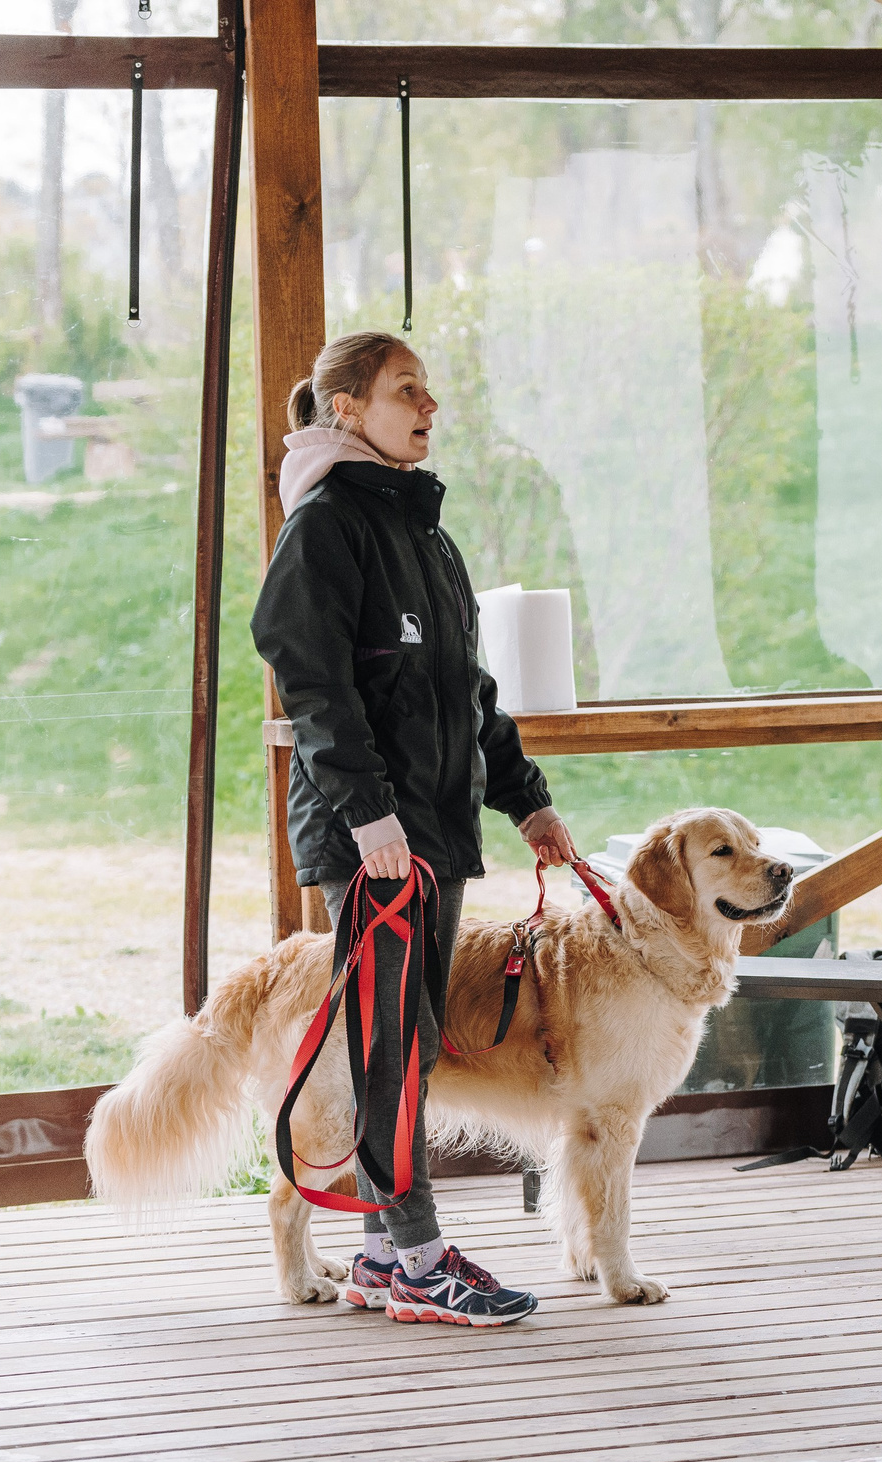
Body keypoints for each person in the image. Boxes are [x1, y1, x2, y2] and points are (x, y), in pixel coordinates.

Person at [252, 330, 582, 1327]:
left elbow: (463, 689)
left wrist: (526, 797)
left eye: (430, 390)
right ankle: (422, 1256)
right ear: (346, 407)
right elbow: (309, 680)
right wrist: (367, 814)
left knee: (410, 1039)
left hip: (428, 829)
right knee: (392, 1043)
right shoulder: (325, 525)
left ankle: (378, 1255)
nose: (428, 404)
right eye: (406, 390)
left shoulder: (424, 533)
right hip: (374, 836)